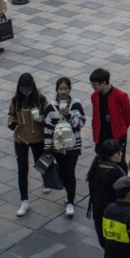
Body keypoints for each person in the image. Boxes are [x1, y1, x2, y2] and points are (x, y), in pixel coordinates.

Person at [42, 76, 86, 217]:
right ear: (57, 90)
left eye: (66, 88)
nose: (63, 91)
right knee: (62, 172)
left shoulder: (76, 104)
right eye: (61, 89)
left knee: (69, 173)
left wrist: (69, 116)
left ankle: (70, 202)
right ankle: (69, 195)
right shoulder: (51, 107)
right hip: (57, 148)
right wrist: (47, 148)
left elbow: (80, 124)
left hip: (73, 146)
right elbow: (48, 129)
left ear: (70, 89)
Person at [8, 72, 47, 217]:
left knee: (40, 162)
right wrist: (12, 123)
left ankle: (46, 180)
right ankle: (24, 200)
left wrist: (42, 119)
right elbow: (11, 115)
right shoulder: (15, 101)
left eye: (28, 89)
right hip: (20, 139)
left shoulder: (40, 100)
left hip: (37, 138)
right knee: (22, 169)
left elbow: (49, 115)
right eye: (24, 90)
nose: (26, 92)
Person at [87, 139, 127, 258]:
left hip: (99, 214)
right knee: (114, 246)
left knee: (107, 244)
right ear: (109, 155)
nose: (120, 155)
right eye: (117, 153)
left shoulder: (96, 166)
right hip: (112, 216)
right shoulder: (115, 172)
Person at [89, 69, 130, 165]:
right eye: (92, 84)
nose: (93, 86)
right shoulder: (94, 96)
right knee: (102, 160)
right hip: (101, 135)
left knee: (119, 161)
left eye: (95, 84)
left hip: (116, 135)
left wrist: (122, 128)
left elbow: (128, 114)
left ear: (104, 83)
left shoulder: (120, 96)